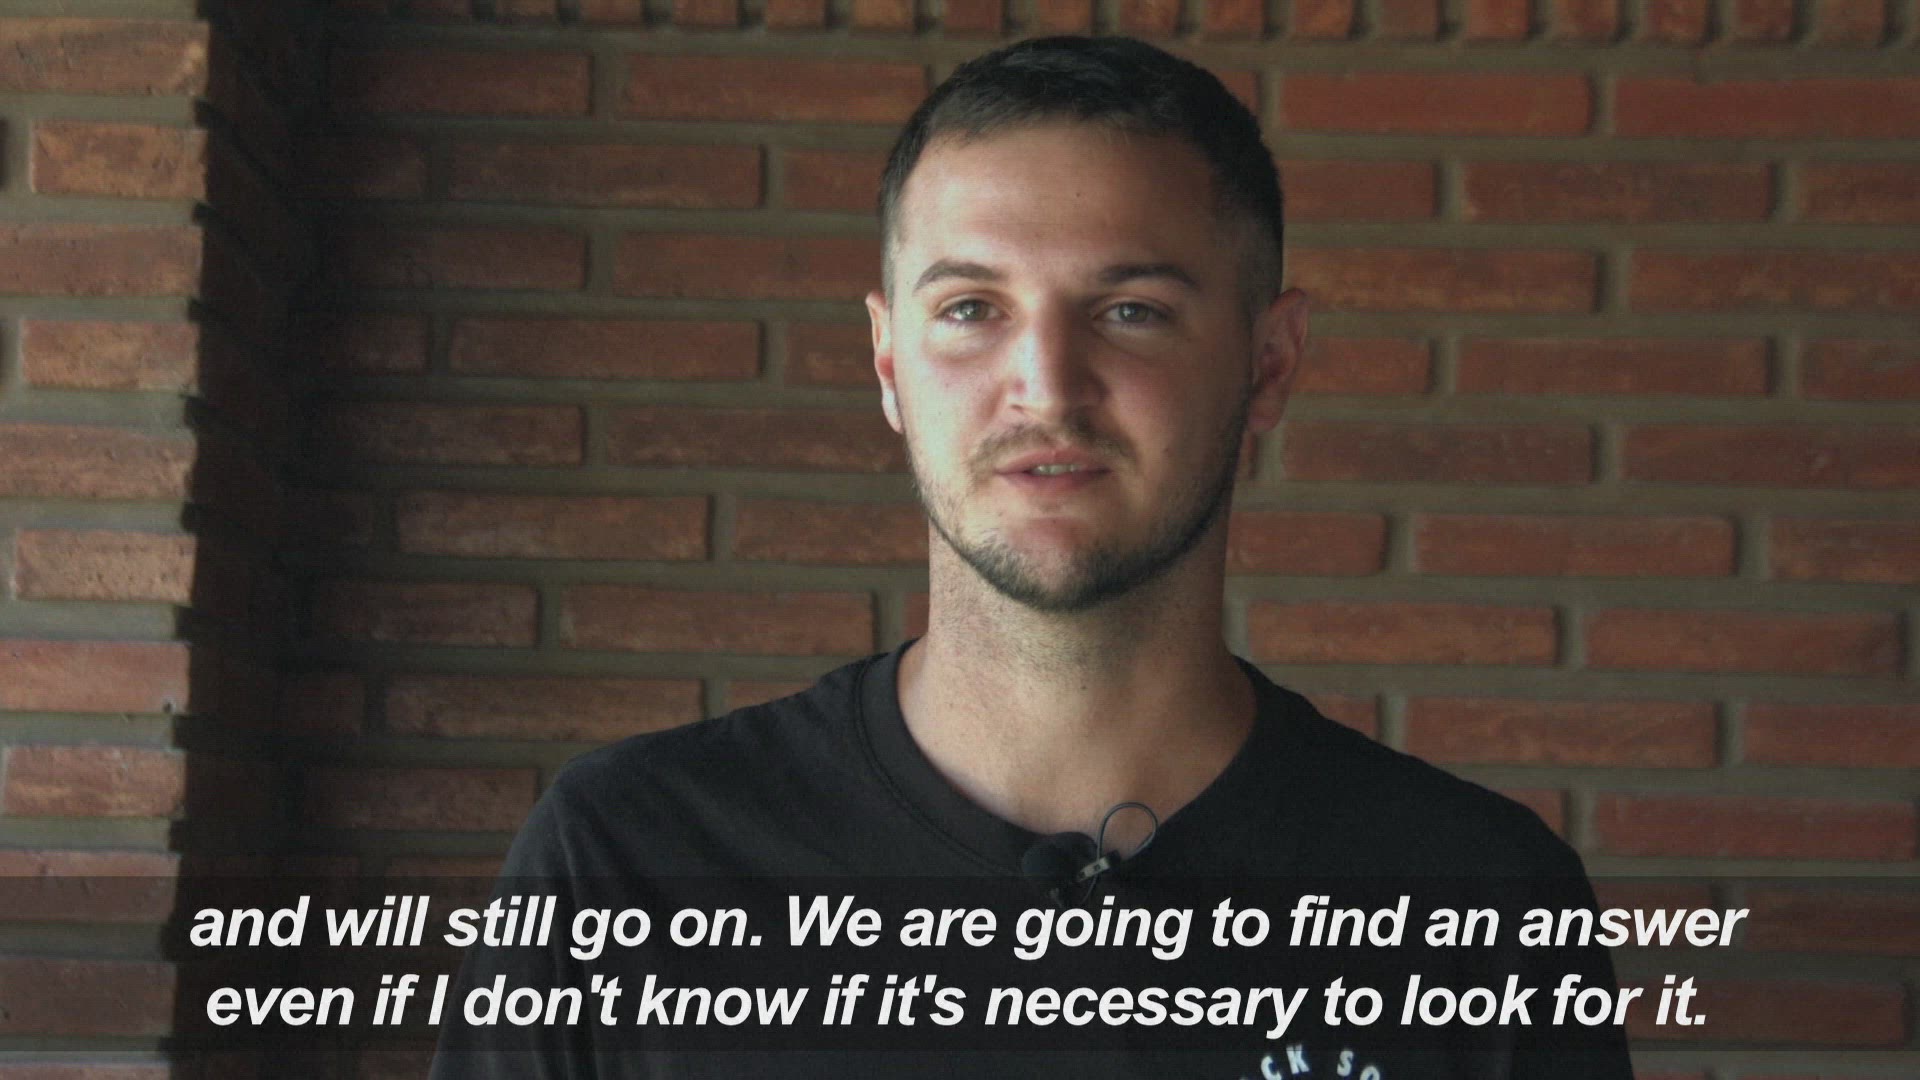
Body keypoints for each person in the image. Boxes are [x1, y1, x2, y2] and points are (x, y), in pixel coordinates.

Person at [429, 36, 1632, 1079]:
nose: (1048, 387)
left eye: (1131, 310)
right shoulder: (626, 863)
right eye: (971, 308)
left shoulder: (1480, 902)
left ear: (1269, 362)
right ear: (889, 365)